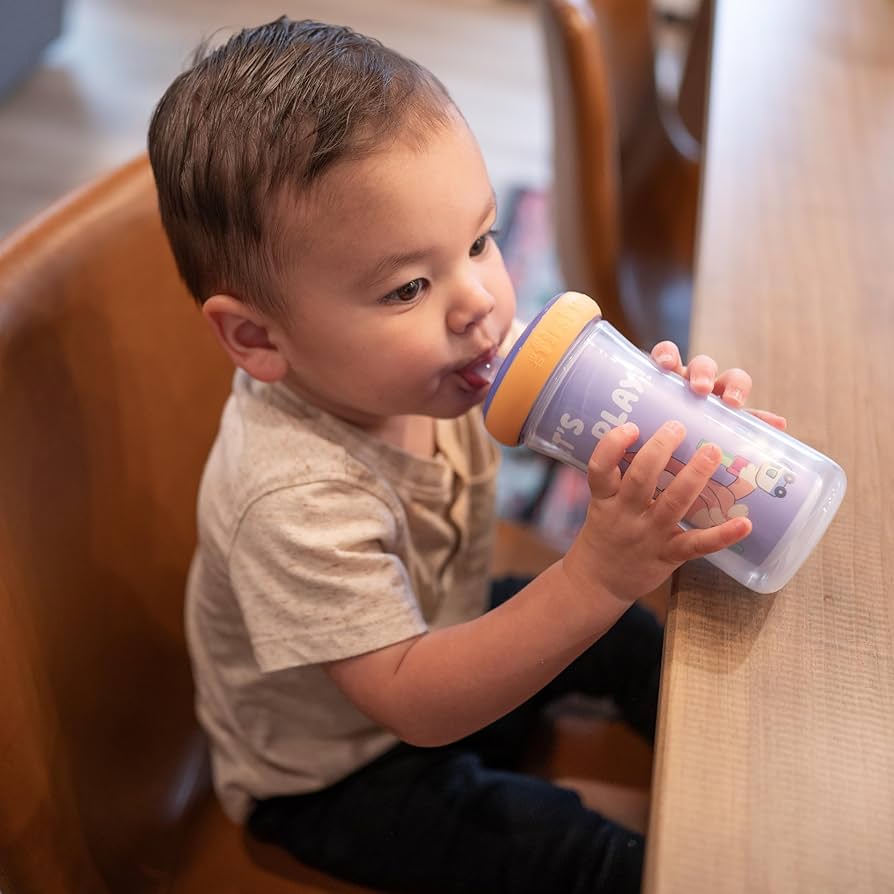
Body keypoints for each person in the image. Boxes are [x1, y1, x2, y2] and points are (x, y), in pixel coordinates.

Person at [148, 17, 785, 894]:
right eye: (408, 286)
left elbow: (604, 431)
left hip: (441, 622)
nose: (479, 304)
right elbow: (417, 704)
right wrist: (595, 575)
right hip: (349, 770)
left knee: (634, 643)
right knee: (577, 854)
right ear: (257, 338)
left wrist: (678, 422)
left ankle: (761, 782)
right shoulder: (291, 496)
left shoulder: (441, 363)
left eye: (481, 241)